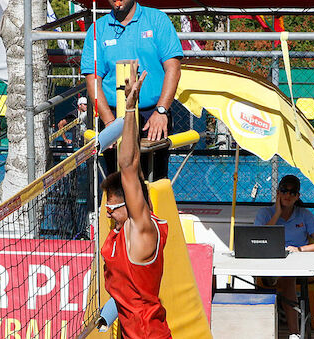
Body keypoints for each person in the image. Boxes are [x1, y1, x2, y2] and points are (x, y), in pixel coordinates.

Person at [100, 61, 171, 339]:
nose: (107, 214)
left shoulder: (141, 228)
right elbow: (134, 166)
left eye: (111, 207)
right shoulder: (127, 225)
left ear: (129, 205)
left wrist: (131, 107)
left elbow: (128, 166)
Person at [81, 0, 182, 178]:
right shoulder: (98, 29)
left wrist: (161, 111)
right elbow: (93, 80)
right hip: (114, 117)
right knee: (119, 186)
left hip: (152, 116)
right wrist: (109, 122)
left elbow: (173, 69)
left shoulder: (157, 20)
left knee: (153, 182)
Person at [254, 175, 314, 339]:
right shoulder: (265, 213)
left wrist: (300, 249)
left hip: (299, 268)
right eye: (284, 190)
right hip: (269, 266)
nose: (288, 195)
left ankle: (294, 333)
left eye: (292, 192)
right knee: (285, 277)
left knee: (287, 278)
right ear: (278, 193)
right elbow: (258, 238)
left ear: (297, 196)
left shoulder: (304, 214)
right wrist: (277, 214)